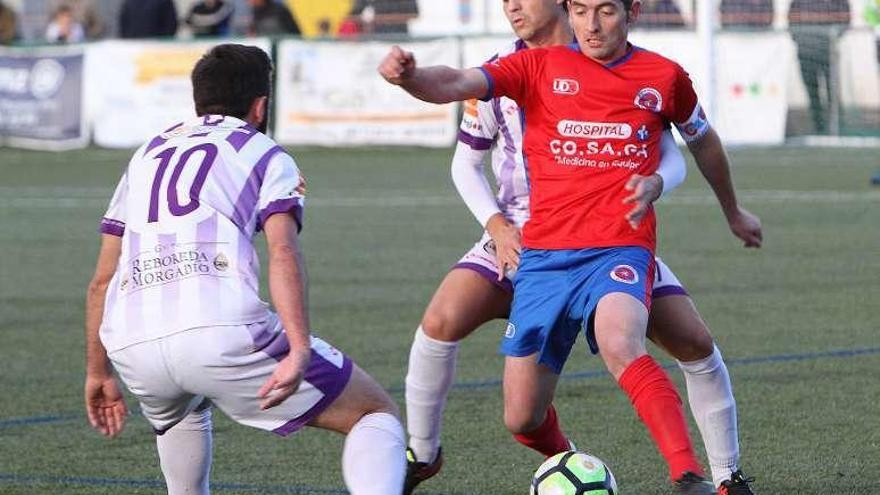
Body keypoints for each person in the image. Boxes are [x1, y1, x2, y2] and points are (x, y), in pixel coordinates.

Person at [380, 0, 764, 493]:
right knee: (515, 410)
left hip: (616, 242)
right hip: (535, 246)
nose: (514, 7)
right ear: (571, 11)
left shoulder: (659, 75)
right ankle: (444, 454)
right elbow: (453, 92)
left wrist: (694, 198)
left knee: (650, 339)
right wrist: (408, 78)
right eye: (583, 11)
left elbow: (687, 147)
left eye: (605, 11)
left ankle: (705, 476)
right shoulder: (521, 67)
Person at [84, 43, 406, 495]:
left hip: (130, 344)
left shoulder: (146, 154)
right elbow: (283, 252)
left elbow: (102, 279)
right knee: (374, 414)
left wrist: (98, 373)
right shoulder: (263, 150)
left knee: (183, 404)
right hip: (221, 330)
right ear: (260, 106)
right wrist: (297, 348)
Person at [788, 0, 851, 134]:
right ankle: (818, 127)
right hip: (805, 51)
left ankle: (837, 128)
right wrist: (800, 39)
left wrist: (833, 36)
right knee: (812, 93)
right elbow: (791, 19)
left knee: (833, 92)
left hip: (828, 50)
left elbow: (846, 19)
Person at [350, 0, 419, 35]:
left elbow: (415, 14)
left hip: (401, 36)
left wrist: (392, 18)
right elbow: (355, 12)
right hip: (379, 36)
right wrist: (366, 22)